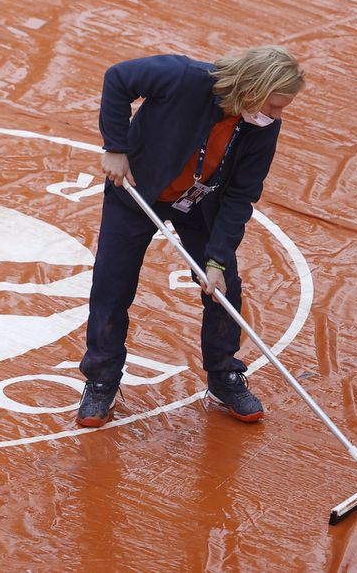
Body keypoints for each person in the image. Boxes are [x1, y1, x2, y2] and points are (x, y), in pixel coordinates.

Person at [77, 46, 306, 427]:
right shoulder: (182, 77)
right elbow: (118, 77)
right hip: (137, 191)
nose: (278, 116)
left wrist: (216, 260)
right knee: (111, 284)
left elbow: (241, 194)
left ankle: (223, 377)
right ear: (252, 88)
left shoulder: (263, 126)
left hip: (201, 206)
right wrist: (115, 146)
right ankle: (101, 380)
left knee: (223, 287)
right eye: (275, 105)